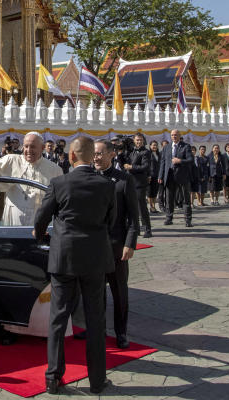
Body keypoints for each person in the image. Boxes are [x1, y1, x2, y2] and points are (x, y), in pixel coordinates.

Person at [34, 136, 115, 395]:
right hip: (94, 259)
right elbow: (111, 221)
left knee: (58, 319)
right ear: (93, 157)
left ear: (70, 156)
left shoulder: (59, 183)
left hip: (64, 258)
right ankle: (97, 380)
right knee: (95, 319)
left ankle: (53, 377)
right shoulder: (107, 185)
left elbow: (41, 220)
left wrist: (41, 236)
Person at [94, 140, 139, 349]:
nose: (96, 157)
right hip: (93, 248)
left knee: (119, 292)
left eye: (100, 153)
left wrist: (130, 243)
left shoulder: (124, 180)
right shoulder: (89, 178)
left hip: (116, 247)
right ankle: (97, 329)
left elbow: (133, 216)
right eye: (93, 153)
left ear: (111, 154)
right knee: (95, 292)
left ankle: (121, 332)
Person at [159, 130, 194, 227]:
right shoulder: (166, 147)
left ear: (179, 135)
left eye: (176, 135)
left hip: (182, 176)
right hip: (169, 176)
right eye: (172, 135)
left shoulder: (185, 146)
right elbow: (163, 162)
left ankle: (188, 219)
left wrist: (180, 161)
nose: (174, 136)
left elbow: (190, 160)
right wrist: (160, 176)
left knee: (186, 199)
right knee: (169, 199)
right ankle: (169, 218)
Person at [125, 133, 152, 237]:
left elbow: (145, 167)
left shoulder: (146, 152)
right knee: (132, 207)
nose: (139, 142)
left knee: (142, 206)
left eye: (140, 140)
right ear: (134, 141)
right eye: (137, 140)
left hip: (140, 183)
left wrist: (131, 167)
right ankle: (135, 228)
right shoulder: (131, 151)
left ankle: (147, 229)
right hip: (130, 182)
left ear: (143, 141)